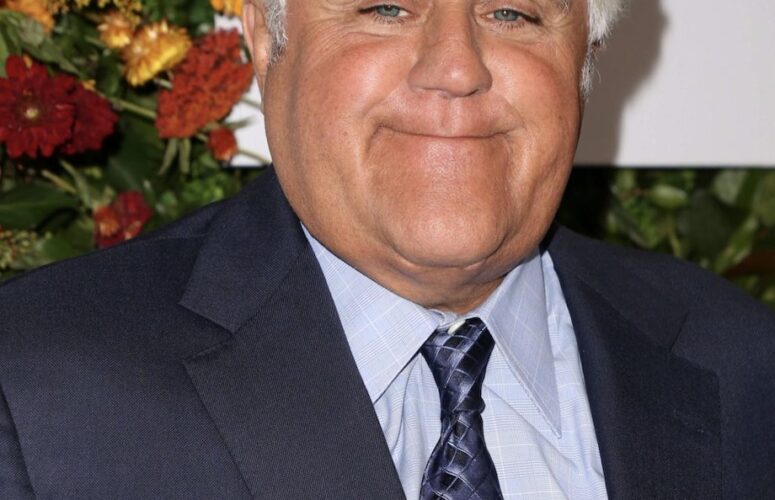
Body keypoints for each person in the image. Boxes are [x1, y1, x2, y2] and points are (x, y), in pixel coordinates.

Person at [1, 0, 773, 498]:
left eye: (512, 12)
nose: (456, 69)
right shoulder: (35, 384)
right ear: (266, 42)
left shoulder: (738, 361)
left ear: (585, 58)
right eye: (385, 8)